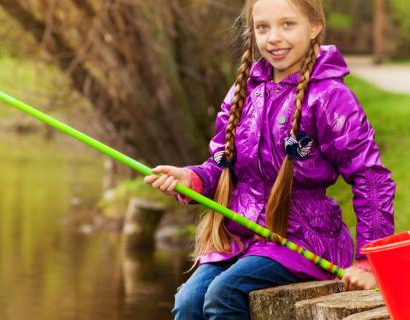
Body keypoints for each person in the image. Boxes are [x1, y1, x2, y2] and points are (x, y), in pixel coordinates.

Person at [142, 0, 396, 319]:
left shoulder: (331, 97)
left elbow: (371, 177)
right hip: (242, 236)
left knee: (224, 295)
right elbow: (222, 167)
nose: (274, 37)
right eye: (263, 27)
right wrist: (190, 179)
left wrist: (370, 261)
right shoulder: (243, 93)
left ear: (315, 26)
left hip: (302, 238)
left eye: (287, 24)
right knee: (188, 302)